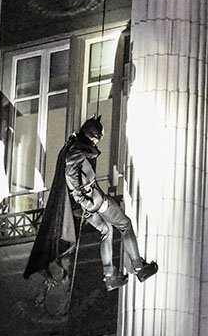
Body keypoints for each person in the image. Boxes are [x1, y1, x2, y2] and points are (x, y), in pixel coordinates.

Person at [24, 115, 158, 291]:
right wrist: (82, 199)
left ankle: (110, 277)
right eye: (97, 138)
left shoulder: (73, 147)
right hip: (93, 199)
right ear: (92, 136)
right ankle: (140, 268)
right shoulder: (76, 151)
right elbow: (71, 176)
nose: (97, 143)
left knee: (106, 230)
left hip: (85, 203)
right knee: (125, 224)